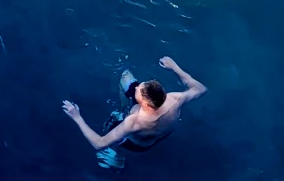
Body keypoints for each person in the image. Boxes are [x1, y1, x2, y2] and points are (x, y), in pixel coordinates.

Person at [62, 56, 206, 165]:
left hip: (137, 144)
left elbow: (99, 143)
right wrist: (175, 67)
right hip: (161, 134)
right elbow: (201, 89)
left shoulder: (133, 122)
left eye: (139, 90)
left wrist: (77, 117)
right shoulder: (175, 99)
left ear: (145, 102)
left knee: (110, 127)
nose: (137, 87)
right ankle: (124, 107)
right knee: (126, 77)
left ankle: (117, 158)